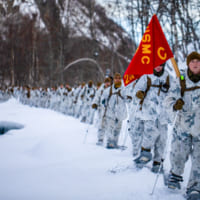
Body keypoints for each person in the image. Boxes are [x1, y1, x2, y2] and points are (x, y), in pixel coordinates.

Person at [165, 52, 200, 200]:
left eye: (198, 61)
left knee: (199, 159)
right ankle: (175, 175)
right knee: (179, 153)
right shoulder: (181, 80)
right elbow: (168, 100)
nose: (195, 63)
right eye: (192, 61)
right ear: (188, 64)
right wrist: (174, 105)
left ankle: (195, 187)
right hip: (182, 126)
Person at [132, 62, 171, 173]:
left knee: (162, 138)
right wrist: (139, 93)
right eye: (156, 64)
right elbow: (137, 89)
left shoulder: (169, 77)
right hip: (149, 111)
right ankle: (145, 153)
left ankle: (158, 162)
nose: (158, 67)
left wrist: (181, 78)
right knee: (149, 133)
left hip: (163, 113)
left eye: (161, 65)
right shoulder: (146, 76)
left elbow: (176, 89)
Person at [100, 73, 127, 149]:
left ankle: (115, 142)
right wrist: (103, 102)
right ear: (114, 80)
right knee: (110, 128)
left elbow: (128, 99)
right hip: (110, 112)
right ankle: (110, 142)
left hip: (120, 112)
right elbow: (103, 98)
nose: (117, 79)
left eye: (119, 78)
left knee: (118, 128)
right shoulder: (108, 90)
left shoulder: (124, 89)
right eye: (116, 78)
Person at [91, 77, 112, 145]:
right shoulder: (101, 89)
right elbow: (97, 97)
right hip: (102, 109)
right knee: (101, 124)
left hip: (110, 109)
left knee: (110, 125)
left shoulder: (112, 89)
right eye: (106, 82)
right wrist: (95, 103)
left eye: (108, 82)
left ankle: (110, 140)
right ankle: (100, 138)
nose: (107, 84)